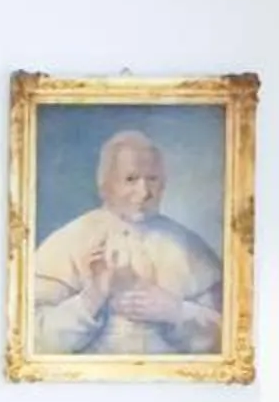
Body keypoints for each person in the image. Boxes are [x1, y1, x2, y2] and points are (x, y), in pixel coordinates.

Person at [29, 129, 224, 357]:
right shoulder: (68, 241)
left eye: (152, 179)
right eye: (131, 179)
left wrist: (175, 311)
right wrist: (92, 298)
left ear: (163, 185)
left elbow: (227, 339)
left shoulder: (190, 246)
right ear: (105, 185)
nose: (144, 192)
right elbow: (33, 340)